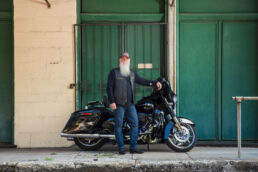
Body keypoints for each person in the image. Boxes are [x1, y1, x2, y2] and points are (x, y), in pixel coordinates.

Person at [106, 52, 162, 155]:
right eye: (123, 58)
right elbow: (109, 88)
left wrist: (154, 83)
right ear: (120, 60)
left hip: (130, 105)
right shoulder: (114, 72)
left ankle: (133, 147)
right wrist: (112, 101)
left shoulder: (132, 73)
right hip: (118, 104)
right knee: (118, 126)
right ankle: (121, 148)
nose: (124, 60)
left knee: (135, 124)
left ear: (129, 61)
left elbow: (142, 81)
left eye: (126, 59)